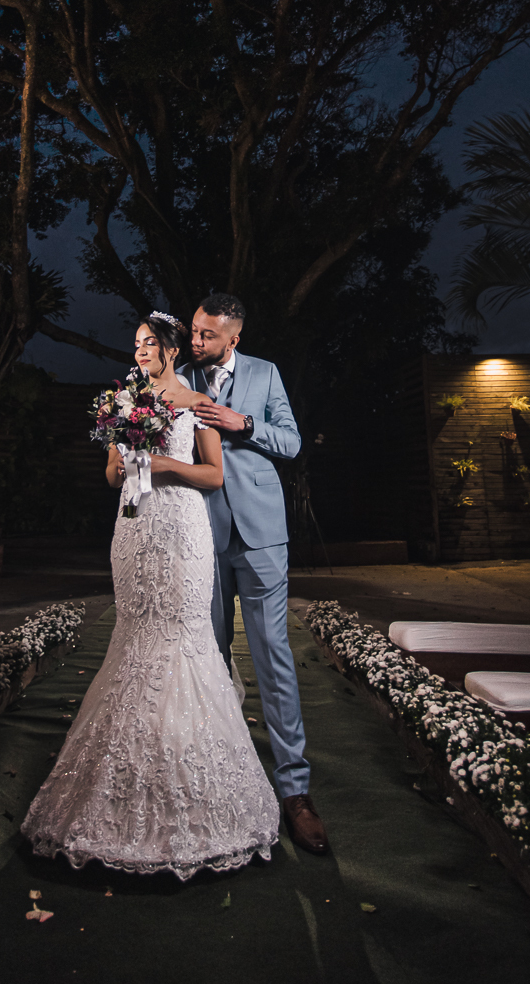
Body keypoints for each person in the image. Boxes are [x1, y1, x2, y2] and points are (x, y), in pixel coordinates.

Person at [21, 312, 279, 880]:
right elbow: (112, 475)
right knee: (135, 635)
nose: (140, 351)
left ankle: (199, 793)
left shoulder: (196, 400)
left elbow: (214, 475)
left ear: (170, 349)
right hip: (135, 530)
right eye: (135, 344)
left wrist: (161, 463)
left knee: (183, 637)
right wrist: (125, 461)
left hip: (183, 529)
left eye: (149, 343)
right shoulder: (123, 402)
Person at [178, 293, 328, 855]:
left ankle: (295, 789)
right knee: (210, 656)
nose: (197, 341)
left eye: (208, 335)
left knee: (273, 656)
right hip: (201, 532)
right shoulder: (179, 376)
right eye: (194, 331)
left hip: (262, 532)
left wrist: (243, 423)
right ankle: (222, 774)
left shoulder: (265, 374)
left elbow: (290, 441)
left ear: (233, 338)